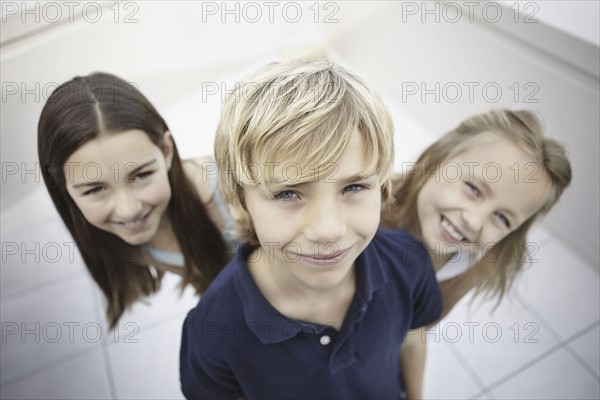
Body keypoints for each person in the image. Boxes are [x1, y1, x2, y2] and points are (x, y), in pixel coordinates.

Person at [179, 59, 442, 399]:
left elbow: (413, 338)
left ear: (382, 187)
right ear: (238, 201)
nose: (328, 230)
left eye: (353, 188)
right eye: (288, 193)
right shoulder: (211, 333)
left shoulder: (408, 263)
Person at [380, 109, 573, 399]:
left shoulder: (468, 264)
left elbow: (415, 328)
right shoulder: (368, 211)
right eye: (473, 189)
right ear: (437, 159)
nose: (474, 221)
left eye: (503, 218)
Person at [38, 72, 237, 329]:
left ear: (166, 151)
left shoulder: (229, 193)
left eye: (141, 175)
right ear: (61, 186)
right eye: (95, 190)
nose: (129, 210)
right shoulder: (118, 234)